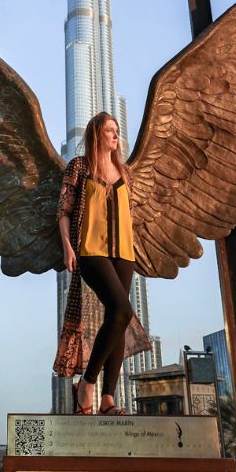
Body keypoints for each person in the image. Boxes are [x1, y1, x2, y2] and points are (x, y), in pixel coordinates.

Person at [53, 112, 150, 415]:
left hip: (124, 254)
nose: (115, 135)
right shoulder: (80, 166)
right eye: (109, 130)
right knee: (122, 310)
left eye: (117, 131)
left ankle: (108, 399)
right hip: (90, 250)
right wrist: (68, 247)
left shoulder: (124, 171)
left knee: (117, 321)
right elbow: (64, 210)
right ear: (96, 133)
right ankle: (88, 382)